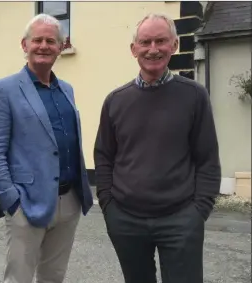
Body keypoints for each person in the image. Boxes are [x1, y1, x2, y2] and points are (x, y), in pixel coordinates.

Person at [94, 13, 221, 283]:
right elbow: (104, 156)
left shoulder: (194, 96)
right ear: (134, 49)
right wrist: (109, 207)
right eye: (146, 42)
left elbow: (207, 158)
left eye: (161, 41)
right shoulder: (115, 101)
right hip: (126, 220)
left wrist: (199, 211)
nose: (153, 49)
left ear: (174, 45)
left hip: (180, 219)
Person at [0, 13, 94, 283]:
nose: (44, 45)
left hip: (69, 201)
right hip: (26, 203)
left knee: (53, 277)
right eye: (38, 40)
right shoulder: (4, 89)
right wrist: (11, 201)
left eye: (51, 41)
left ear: (61, 46)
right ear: (24, 45)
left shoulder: (66, 89)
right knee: (18, 278)